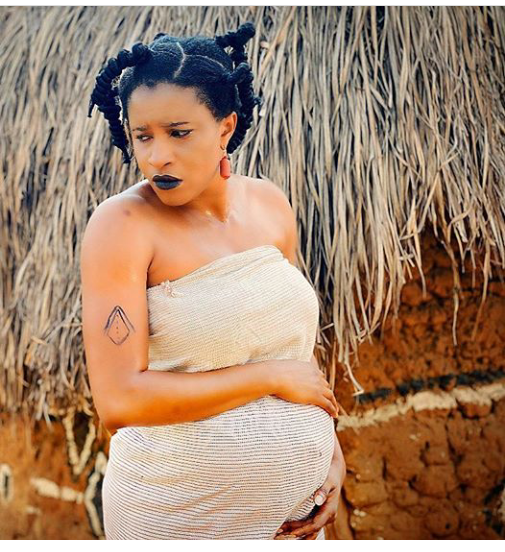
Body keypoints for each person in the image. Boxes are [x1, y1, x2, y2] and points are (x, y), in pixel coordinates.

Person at [81, 22, 346, 540]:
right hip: (174, 512)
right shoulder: (123, 226)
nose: (157, 156)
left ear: (225, 127)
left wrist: (329, 455)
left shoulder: (270, 205)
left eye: (178, 133)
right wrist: (268, 378)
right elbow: (119, 400)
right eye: (143, 136)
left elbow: (296, 356)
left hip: (293, 519)